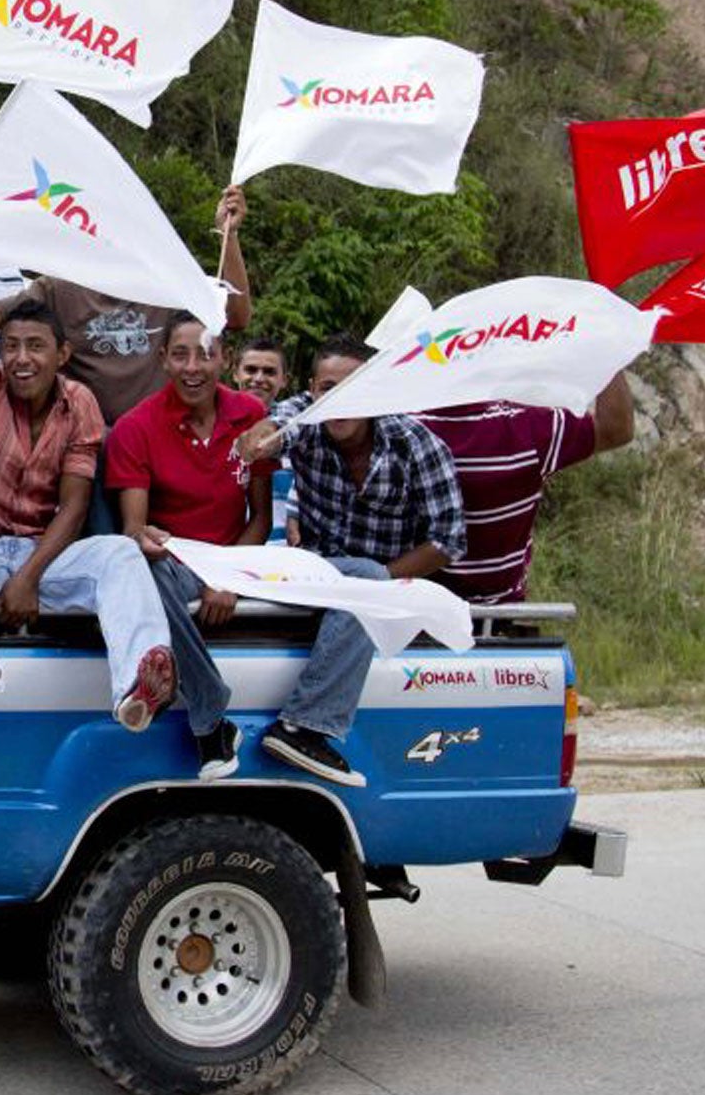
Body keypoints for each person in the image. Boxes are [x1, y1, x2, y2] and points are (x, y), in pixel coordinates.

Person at [0, 241, 175, 741]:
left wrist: (29, 577)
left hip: (42, 554)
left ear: (63, 354)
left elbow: (73, 508)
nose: (21, 359)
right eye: (11, 346)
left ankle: (140, 682)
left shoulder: (80, 402)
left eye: (35, 346)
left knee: (118, 552)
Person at [235, 334, 467, 787]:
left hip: (390, 581)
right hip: (314, 573)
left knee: (363, 577)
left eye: (352, 389)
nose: (338, 402)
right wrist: (260, 438)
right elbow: (280, 427)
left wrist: (378, 583)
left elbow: (449, 539)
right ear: (312, 389)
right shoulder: (306, 418)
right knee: (356, 578)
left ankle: (303, 725)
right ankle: (303, 726)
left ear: (375, 389)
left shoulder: (415, 443)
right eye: (327, 389)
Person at [108, 318, 278, 779]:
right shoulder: (135, 427)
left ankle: (209, 721)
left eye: (205, 353)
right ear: (162, 359)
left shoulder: (249, 416)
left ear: (224, 358)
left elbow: (261, 517)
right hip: (174, 560)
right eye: (180, 354)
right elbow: (134, 530)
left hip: (233, 557)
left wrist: (227, 580)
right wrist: (147, 538)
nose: (193, 366)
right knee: (135, 566)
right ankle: (210, 711)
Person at [0, 186, 256, 429]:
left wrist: (231, 234)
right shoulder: (59, 287)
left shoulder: (166, 283)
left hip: (159, 440)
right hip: (88, 443)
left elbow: (237, 316)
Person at [413, 373, 635, 604]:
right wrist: (607, 347)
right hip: (500, 614)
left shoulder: (399, 428)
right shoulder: (526, 427)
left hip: (408, 610)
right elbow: (616, 429)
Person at [232, 336, 297, 544]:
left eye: (269, 372)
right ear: (235, 373)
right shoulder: (214, 423)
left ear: (284, 379)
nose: (259, 378)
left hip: (286, 551)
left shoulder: (298, 428)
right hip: (227, 546)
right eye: (251, 370)